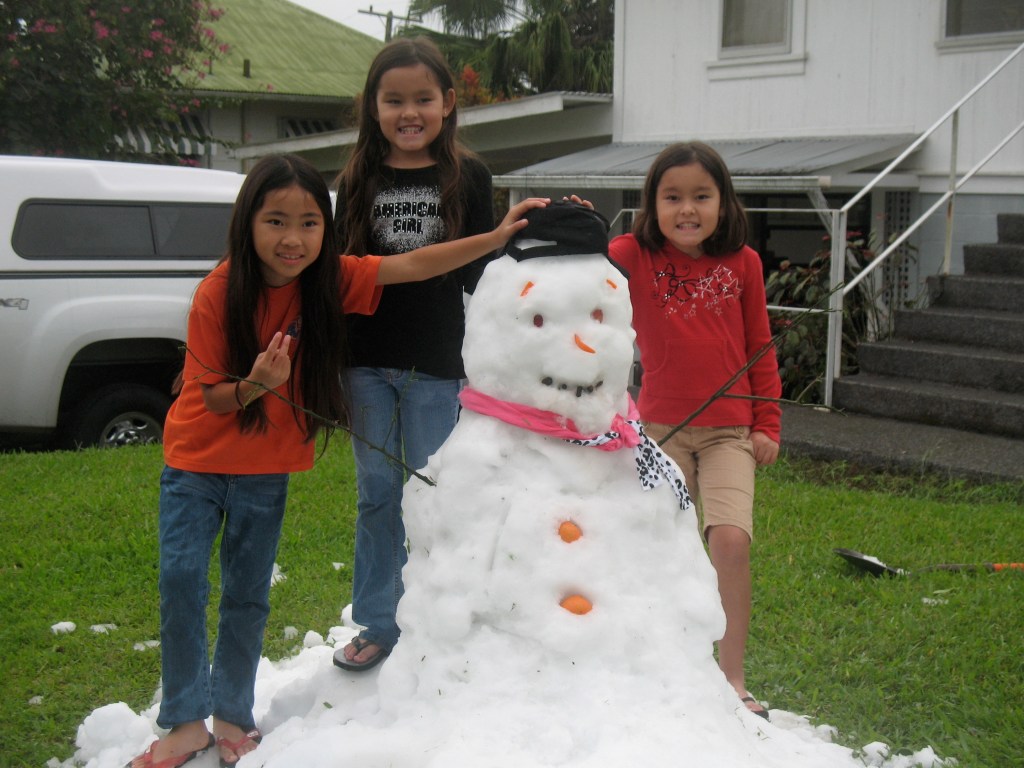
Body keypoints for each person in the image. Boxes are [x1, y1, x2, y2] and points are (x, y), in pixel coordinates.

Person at [126, 152, 547, 768]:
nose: (292, 239)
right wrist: (257, 385)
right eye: (275, 221)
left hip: (264, 469)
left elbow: (414, 263)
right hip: (196, 462)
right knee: (181, 581)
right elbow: (212, 396)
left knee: (247, 594)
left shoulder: (326, 282)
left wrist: (494, 236)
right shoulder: (219, 291)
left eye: (308, 223)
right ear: (247, 223)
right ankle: (185, 723)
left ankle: (233, 715)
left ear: (326, 229)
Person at [331, 37, 495, 673]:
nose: (409, 112)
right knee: (377, 494)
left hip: (436, 367)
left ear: (447, 102)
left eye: (422, 98)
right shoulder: (357, 178)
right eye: (393, 100)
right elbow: (339, 274)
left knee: (433, 494)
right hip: (364, 364)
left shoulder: (469, 176)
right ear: (372, 107)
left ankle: (439, 617)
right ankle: (380, 622)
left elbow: (483, 270)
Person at [607, 141, 782, 721]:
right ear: (652, 204)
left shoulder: (744, 263)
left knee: (730, 541)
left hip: (731, 431)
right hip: (662, 429)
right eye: (673, 197)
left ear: (723, 202)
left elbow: (759, 345)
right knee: (659, 548)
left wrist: (767, 422)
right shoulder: (633, 255)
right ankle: (660, 666)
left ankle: (732, 676)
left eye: (702, 196)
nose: (687, 209)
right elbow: (581, 264)